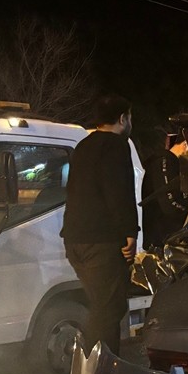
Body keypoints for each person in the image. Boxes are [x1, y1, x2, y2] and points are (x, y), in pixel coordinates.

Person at [61, 94, 138, 356]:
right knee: (109, 309)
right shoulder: (116, 146)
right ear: (122, 118)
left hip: (75, 241)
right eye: (130, 117)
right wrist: (130, 232)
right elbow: (119, 192)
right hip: (102, 242)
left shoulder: (83, 146)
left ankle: (95, 366)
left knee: (101, 304)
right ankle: (99, 369)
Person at [141, 133, 188, 249]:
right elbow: (169, 201)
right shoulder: (166, 162)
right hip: (163, 239)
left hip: (163, 237)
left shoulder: (168, 162)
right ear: (186, 145)